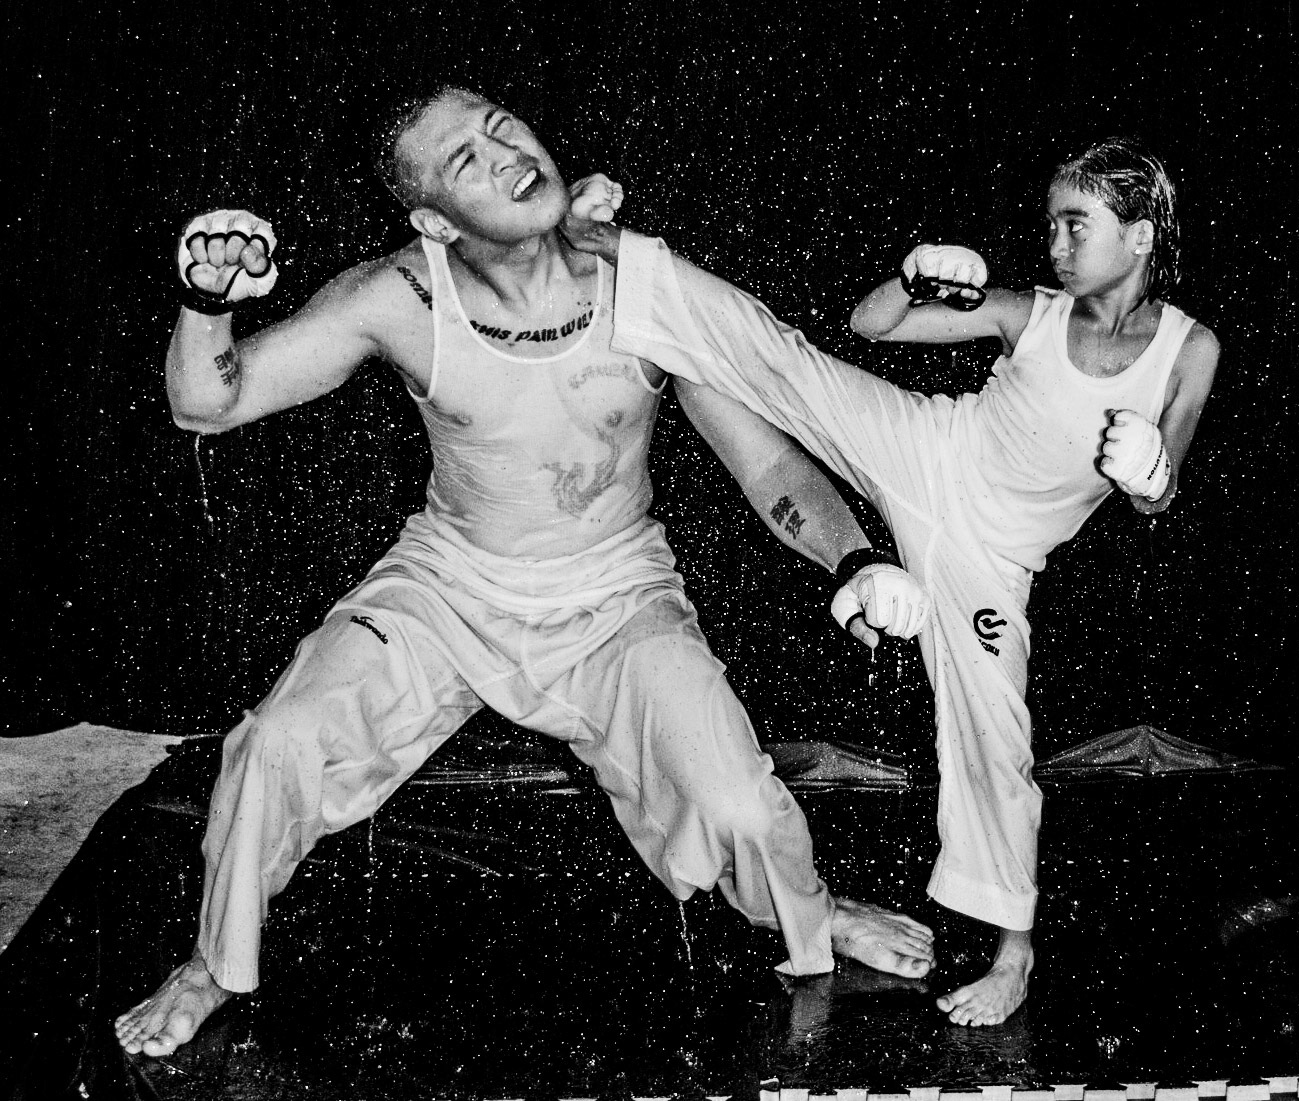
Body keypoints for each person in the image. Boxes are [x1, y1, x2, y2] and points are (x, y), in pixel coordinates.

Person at [114, 85, 937, 1059]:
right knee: (275, 744)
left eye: (502, 127)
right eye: (465, 159)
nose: (507, 155)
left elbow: (766, 464)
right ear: (434, 221)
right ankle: (214, 964)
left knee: (737, 806)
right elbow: (208, 404)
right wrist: (207, 306)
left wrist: (852, 558)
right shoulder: (398, 295)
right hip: (447, 592)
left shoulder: (639, 286)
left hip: (616, 600)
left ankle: (811, 911)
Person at [565, 136, 1220, 1026]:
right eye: (1051, 224)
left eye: (1077, 224)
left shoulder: (1188, 347)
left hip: (991, 555)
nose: (1057, 244)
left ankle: (1013, 955)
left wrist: (1151, 472)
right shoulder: (1031, 311)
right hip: (926, 449)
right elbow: (868, 325)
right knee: (785, 360)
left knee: (993, 732)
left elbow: (1158, 492)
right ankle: (609, 249)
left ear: (1139, 235)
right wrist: (911, 280)